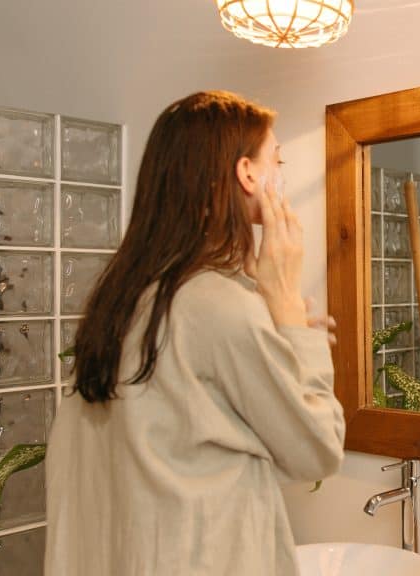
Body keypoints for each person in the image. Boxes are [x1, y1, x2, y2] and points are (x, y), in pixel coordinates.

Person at [44, 91, 345, 575]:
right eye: (278, 158)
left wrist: (272, 332)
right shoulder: (216, 307)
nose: (282, 174)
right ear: (248, 174)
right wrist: (289, 315)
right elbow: (317, 450)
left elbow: (198, 441)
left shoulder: (122, 301)